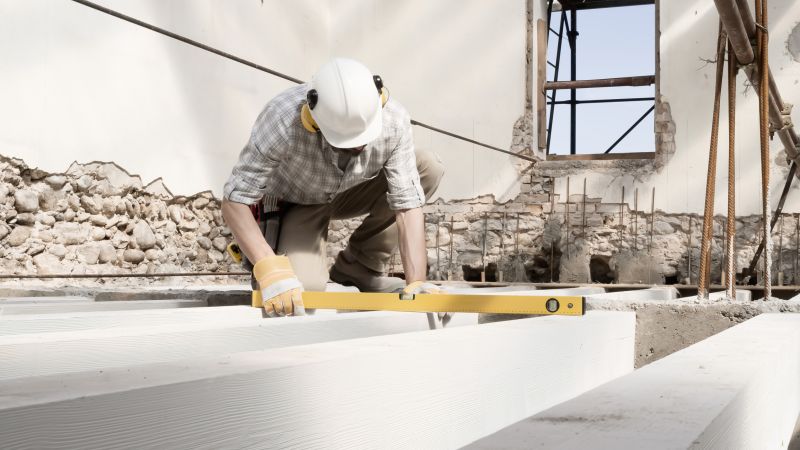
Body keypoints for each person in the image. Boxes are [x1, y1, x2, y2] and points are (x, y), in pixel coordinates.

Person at [221, 58, 444, 317]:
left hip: (350, 191)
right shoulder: (281, 118)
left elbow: (407, 205)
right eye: (347, 143)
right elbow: (235, 200)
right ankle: (285, 263)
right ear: (312, 118)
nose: (358, 148)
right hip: (295, 202)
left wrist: (416, 284)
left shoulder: (393, 119)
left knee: (427, 167)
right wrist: (269, 267)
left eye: (363, 139)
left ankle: (360, 267)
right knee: (304, 294)